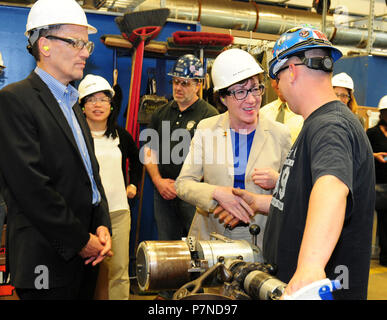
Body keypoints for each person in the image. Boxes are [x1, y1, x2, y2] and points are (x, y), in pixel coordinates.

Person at [227, 26, 375, 300]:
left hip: (316, 292)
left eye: (277, 78)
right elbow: (307, 197)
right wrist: (262, 202)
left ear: (291, 71)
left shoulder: (331, 125)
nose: (277, 87)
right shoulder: (318, 124)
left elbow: (331, 187)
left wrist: (310, 267)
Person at [0, 0, 112, 300]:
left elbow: (91, 176)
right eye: (76, 43)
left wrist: (102, 224)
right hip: (45, 258)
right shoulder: (15, 100)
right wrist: (79, 239)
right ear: (45, 45)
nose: (86, 52)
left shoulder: (73, 104)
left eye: (87, 44)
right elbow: (31, 187)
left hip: (86, 255)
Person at [175, 48, 291, 254]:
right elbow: (183, 185)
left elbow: (292, 195)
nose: (252, 99)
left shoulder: (280, 134)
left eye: (256, 89)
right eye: (240, 92)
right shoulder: (206, 129)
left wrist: (278, 179)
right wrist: (217, 193)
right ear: (223, 98)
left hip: (260, 240)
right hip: (210, 240)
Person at [78, 74, 142, 300]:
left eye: (103, 99)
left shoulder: (120, 135)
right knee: (88, 272)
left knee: (119, 270)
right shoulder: (74, 136)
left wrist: (133, 183)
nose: (97, 105)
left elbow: (136, 160)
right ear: (82, 106)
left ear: (111, 105)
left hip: (117, 212)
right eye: (91, 99)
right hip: (85, 216)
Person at [143, 54, 218, 241]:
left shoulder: (210, 116)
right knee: (167, 248)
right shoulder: (161, 112)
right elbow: (148, 150)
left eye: (185, 83)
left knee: (199, 247)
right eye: (176, 82)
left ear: (198, 85)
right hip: (163, 192)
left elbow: (214, 161)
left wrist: (184, 186)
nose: (178, 88)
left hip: (195, 196)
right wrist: (158, 181)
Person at [366, 95, 387, 267]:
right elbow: (364, 155)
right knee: (381, 221)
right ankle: (382, 255)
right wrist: (375, 156)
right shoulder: (372, 133)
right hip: (378, 184)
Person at [260, 78, 304, 144]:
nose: (277, 83)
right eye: (274, 78)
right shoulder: (262, 113)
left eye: (280, 78)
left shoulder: (305, 112)